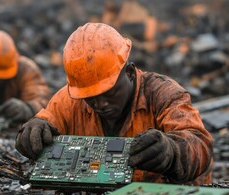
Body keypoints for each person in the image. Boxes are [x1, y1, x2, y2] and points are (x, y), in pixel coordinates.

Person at [15, 22, 213, 185]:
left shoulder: (164, 94)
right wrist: (33, 130)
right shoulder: (70, 99)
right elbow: (45, 121)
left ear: (129, 72)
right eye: (90, 97)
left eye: (108, 92)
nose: (100, 104)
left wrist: (173, 152)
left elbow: (200, 143)